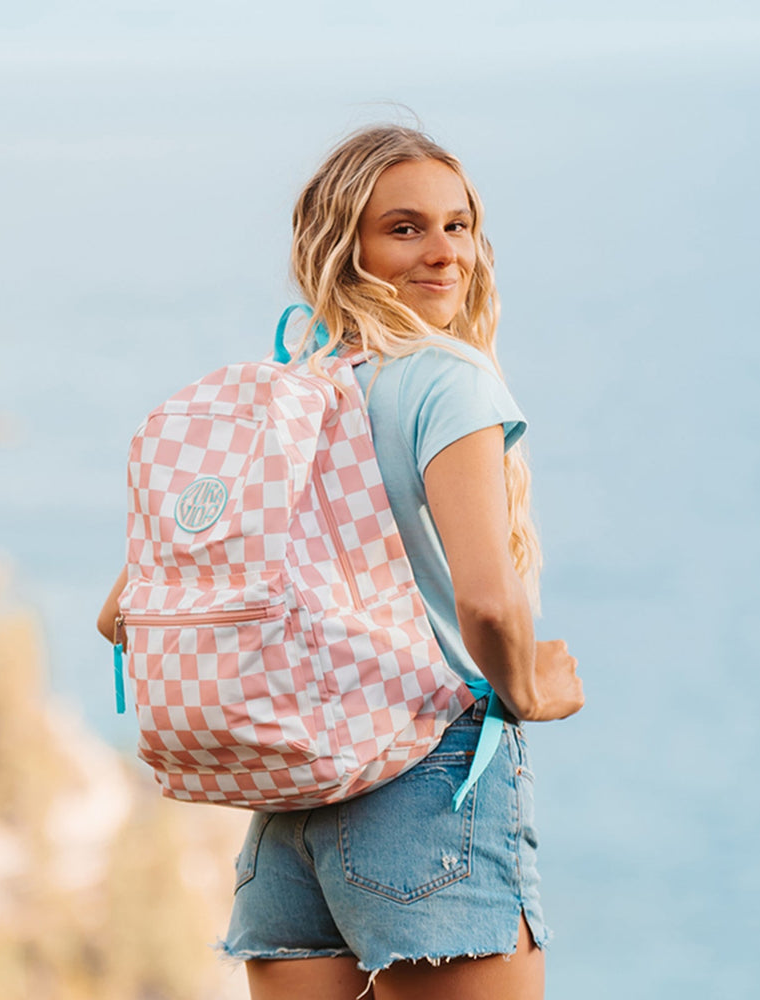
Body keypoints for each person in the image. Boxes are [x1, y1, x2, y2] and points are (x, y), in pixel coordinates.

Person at [98, 124, 584, 1000]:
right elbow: (489, 603)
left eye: (459, 225)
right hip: (425, 780)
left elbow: (119, 613)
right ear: (344, 247)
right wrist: (529, 688)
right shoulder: (449, 381)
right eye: (405, 228)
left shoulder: (289, 398)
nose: (445, 254)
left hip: (292, 809)